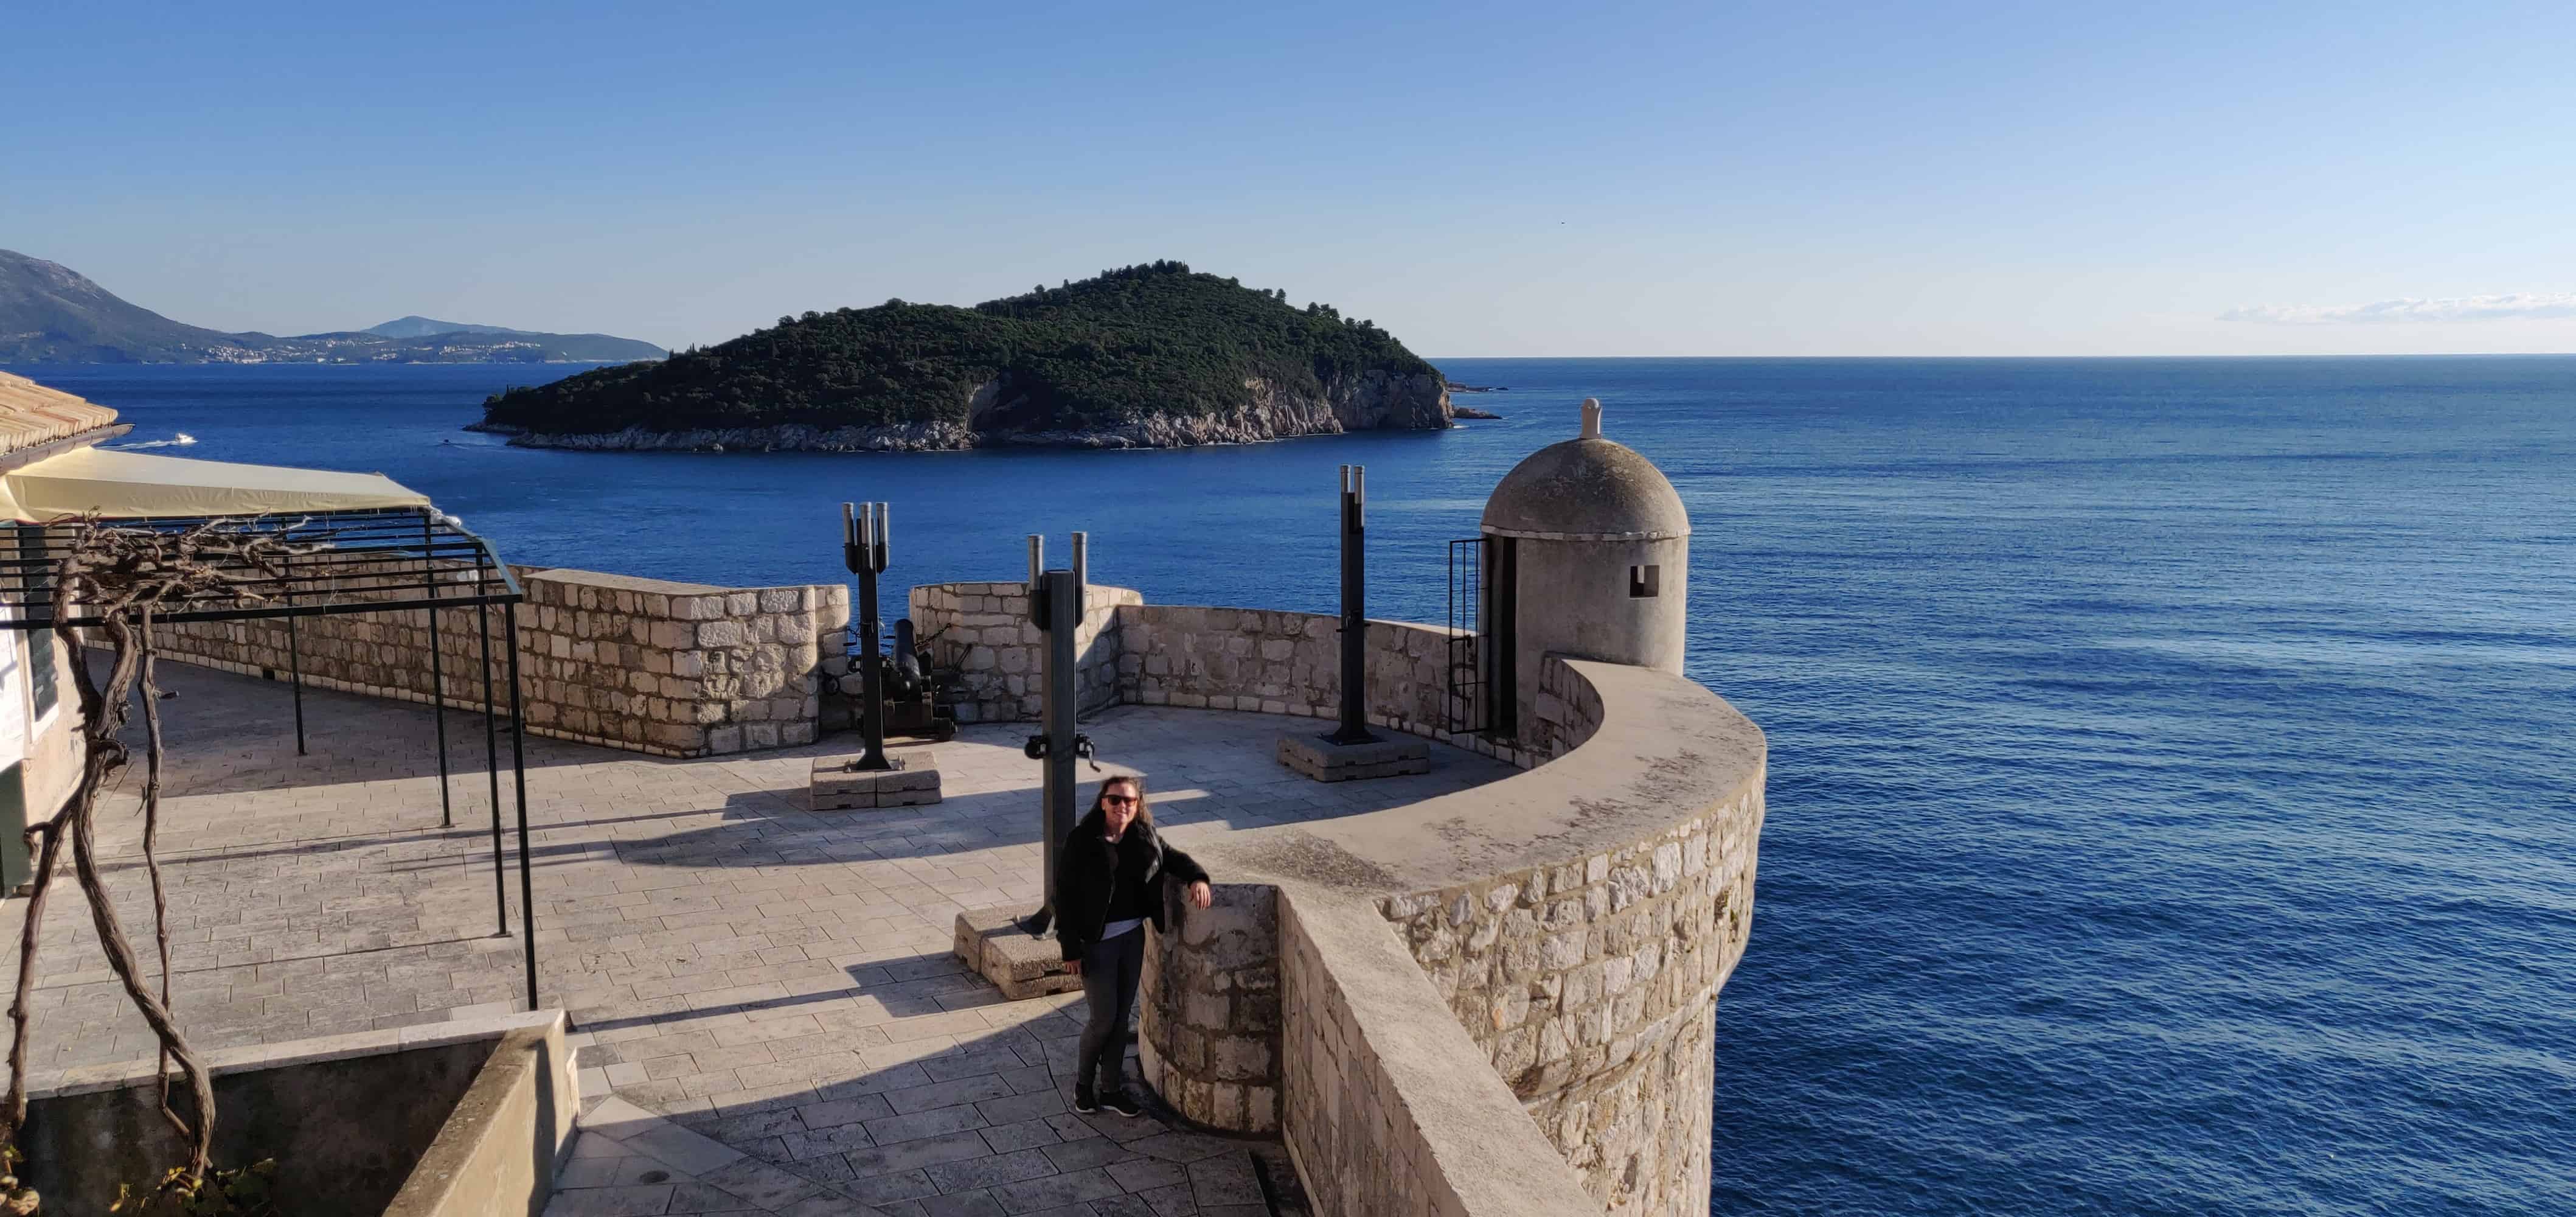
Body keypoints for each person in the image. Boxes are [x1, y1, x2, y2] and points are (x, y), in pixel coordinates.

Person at [1054, 774, 1212, 1117]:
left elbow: (1174, 859)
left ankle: (1111, 1089)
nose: (1122, 806)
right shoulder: (1083, 841)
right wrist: (1070, 950)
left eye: (1129, 801)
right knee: (1103, 1019)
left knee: (1122, 1018)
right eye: (1115, 799)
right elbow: (1063, 899)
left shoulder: (1145, 837)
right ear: (1103, 802)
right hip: (1096, 943)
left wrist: (1198, 877)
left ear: (1138, 805)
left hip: (1132, 938)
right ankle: (1083, 1084)